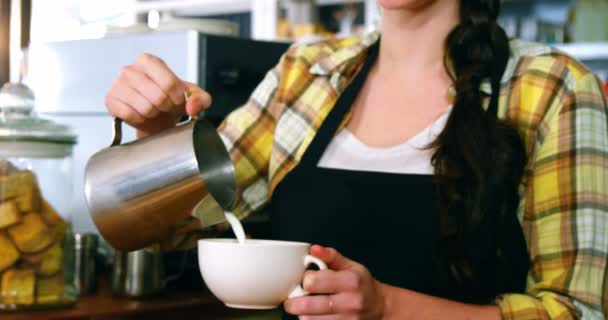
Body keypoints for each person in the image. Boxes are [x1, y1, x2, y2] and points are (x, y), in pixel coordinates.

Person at [105, 0, 608, 319]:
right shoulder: (306, 74)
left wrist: (388, 307)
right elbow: (179, 225)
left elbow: (576, 310)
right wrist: (160, 145)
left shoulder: (551, 88)